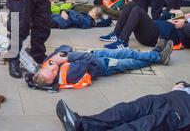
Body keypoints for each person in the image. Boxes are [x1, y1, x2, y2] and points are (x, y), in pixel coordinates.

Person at [56, 81, 190, 131]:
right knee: (127, 110)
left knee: (144, 126)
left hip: (182, 113)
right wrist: (182, 84)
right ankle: (79, 123)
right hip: (171, 97)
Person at [32, 42, 174, 90]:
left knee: (127, 51)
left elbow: (66, 46)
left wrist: (62, 53)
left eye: (49, 68)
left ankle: (156, 54)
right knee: (132, 63)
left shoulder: (49, 62)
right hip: (103, 65)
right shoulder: (68, 75)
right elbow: (86, 59)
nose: (53, 68)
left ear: (42, 68)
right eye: (54, 73)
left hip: (97, 54)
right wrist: (66, 57)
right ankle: (159, 57)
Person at [100, 2, 182, 50]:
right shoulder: (184, 18)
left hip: (155, 36)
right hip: (152, 27)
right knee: (130, 5)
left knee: (137, 11)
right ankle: (116, 33)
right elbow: (162, 17)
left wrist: (184, 23)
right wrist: (172, 13)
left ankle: (123, 42)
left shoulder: (184, 27)